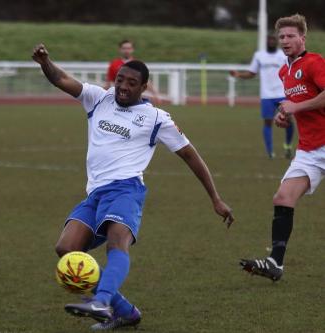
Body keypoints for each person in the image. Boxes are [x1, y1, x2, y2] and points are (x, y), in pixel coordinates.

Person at [32, 43, 234, 330]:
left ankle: (101, 301)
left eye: (131, 83)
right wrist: (45, 63)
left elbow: (190, 155)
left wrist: (216, 198)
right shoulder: (99, 99)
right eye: (120, 81)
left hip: (126, 190)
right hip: (96, 193)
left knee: (118, 243)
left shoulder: (156, 119)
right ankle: (125, 311)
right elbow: (62, 79)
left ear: (144, 86)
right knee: (66, 248)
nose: (123, 87)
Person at [240, 14, 325, 281]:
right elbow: (294, 103)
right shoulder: (284, 71)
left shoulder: (314, 62)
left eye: (291, 36)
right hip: (310, 149)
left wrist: (296, 107)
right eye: (282, 37)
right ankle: (275, 263)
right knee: (282, 198)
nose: (286, 40)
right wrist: (284, 115)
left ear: (303, 38)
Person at [230, 35, 294, 159]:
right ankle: (270, 152)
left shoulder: (283, 56)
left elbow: (292, 71)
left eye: (273, 40)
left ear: (277, 42)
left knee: (289, 121)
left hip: (283, 94)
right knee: (268, 122)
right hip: (267, 95)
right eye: (269, 40)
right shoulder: (259, 56)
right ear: (266, 42)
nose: (271, 42)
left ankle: (288, 145)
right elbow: (251, 73)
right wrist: (238, 74)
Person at [105, 40, 160, 104]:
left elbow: (146, 81)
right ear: (120, 50)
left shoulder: (139, 64)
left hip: (135, 97)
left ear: (132, 49)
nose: (126, 51)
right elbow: (108, 82)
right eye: (124, 48)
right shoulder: (114, 64)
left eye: (128, 48)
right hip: (119, 96)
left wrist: (155, 94)